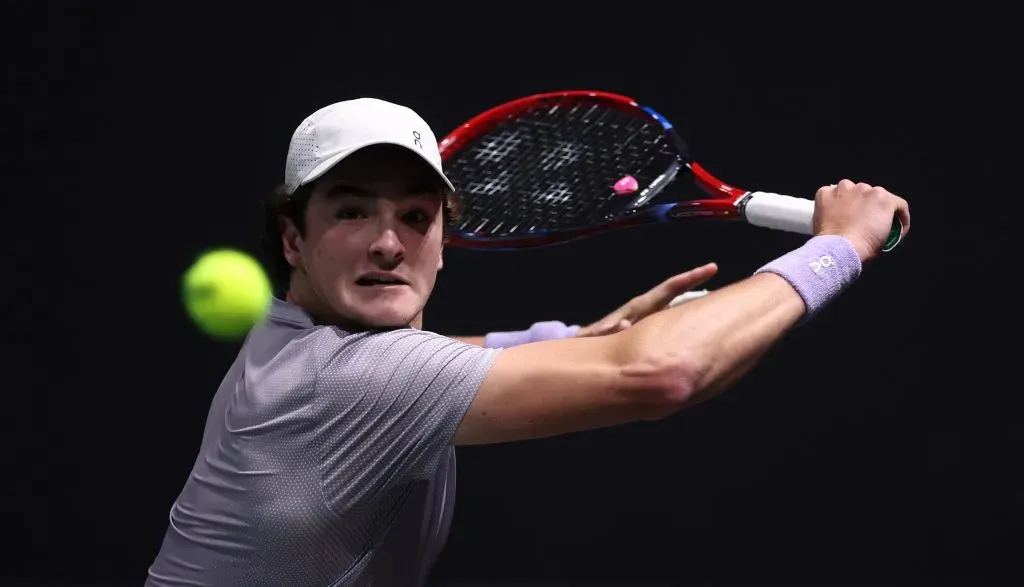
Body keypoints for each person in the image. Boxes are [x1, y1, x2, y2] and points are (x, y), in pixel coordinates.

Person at [145, 97, 910, 586]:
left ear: (445, 239)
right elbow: (665, 372)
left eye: (416, 217)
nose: (388, 242)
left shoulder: (300, 344)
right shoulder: (350, 378)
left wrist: (576, 337)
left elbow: (456, 359)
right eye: (352, 212)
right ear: (292, 236)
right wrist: (840, 246)